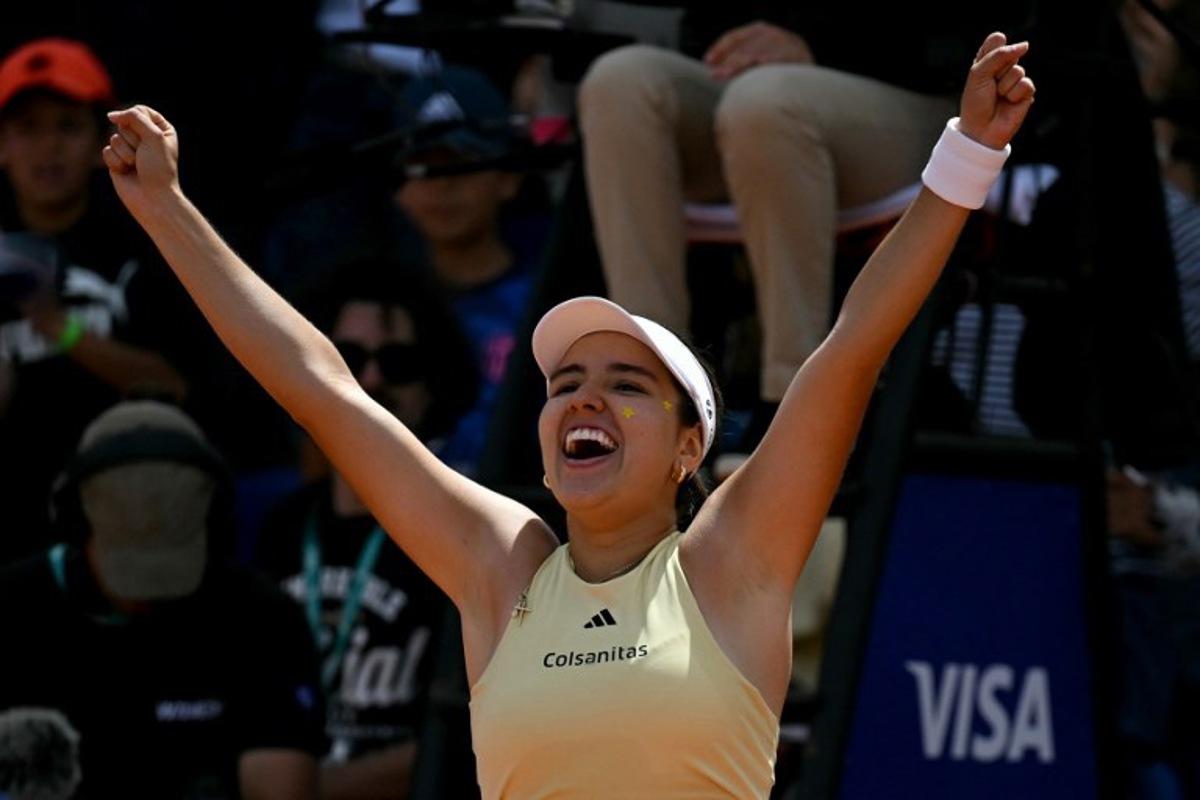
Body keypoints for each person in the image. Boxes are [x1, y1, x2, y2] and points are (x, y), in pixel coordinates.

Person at [101, 31, 1033, 797]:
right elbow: (322, 389)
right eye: (563, 383)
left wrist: (968, 154)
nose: (583, 396)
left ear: (688, 448)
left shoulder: (730, 561)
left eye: (628, 384)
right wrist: (167, 211)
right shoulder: (500, 566)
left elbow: (851, 349)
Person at [577, 4, 1026, 470]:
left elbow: (963, 32)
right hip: (750, 97)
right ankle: (655, 387)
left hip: (919, 91)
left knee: (766, 103)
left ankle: (796, 404)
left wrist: (817, 47)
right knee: (620, 82)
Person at [0, 399, 326, 798]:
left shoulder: (264, 620)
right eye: (129, 563)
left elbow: (279, 785)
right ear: (75, 519)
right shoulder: (14, 606)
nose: (147, 594)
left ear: (215, 522)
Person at [254, 261, 476, 798]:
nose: (370, 380)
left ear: (434, 383)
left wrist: (318, 789)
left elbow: (471, 728)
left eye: (398, 364)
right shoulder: (281, 528)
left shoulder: (466, 529)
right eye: (346, 360)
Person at [0, 38, 192, 562]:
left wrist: (57, 326)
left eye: (67, 126)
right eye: (26, 128)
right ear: (2, 147)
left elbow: (173, 386)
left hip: (129, 514)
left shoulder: (143, 246)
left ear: (98, 144)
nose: (47, 147)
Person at [391, 65, 543, 474]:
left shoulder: (549, 302)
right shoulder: (379, 305)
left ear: (508, 178)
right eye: (423, 165)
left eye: (462, 163)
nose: (442, 186)